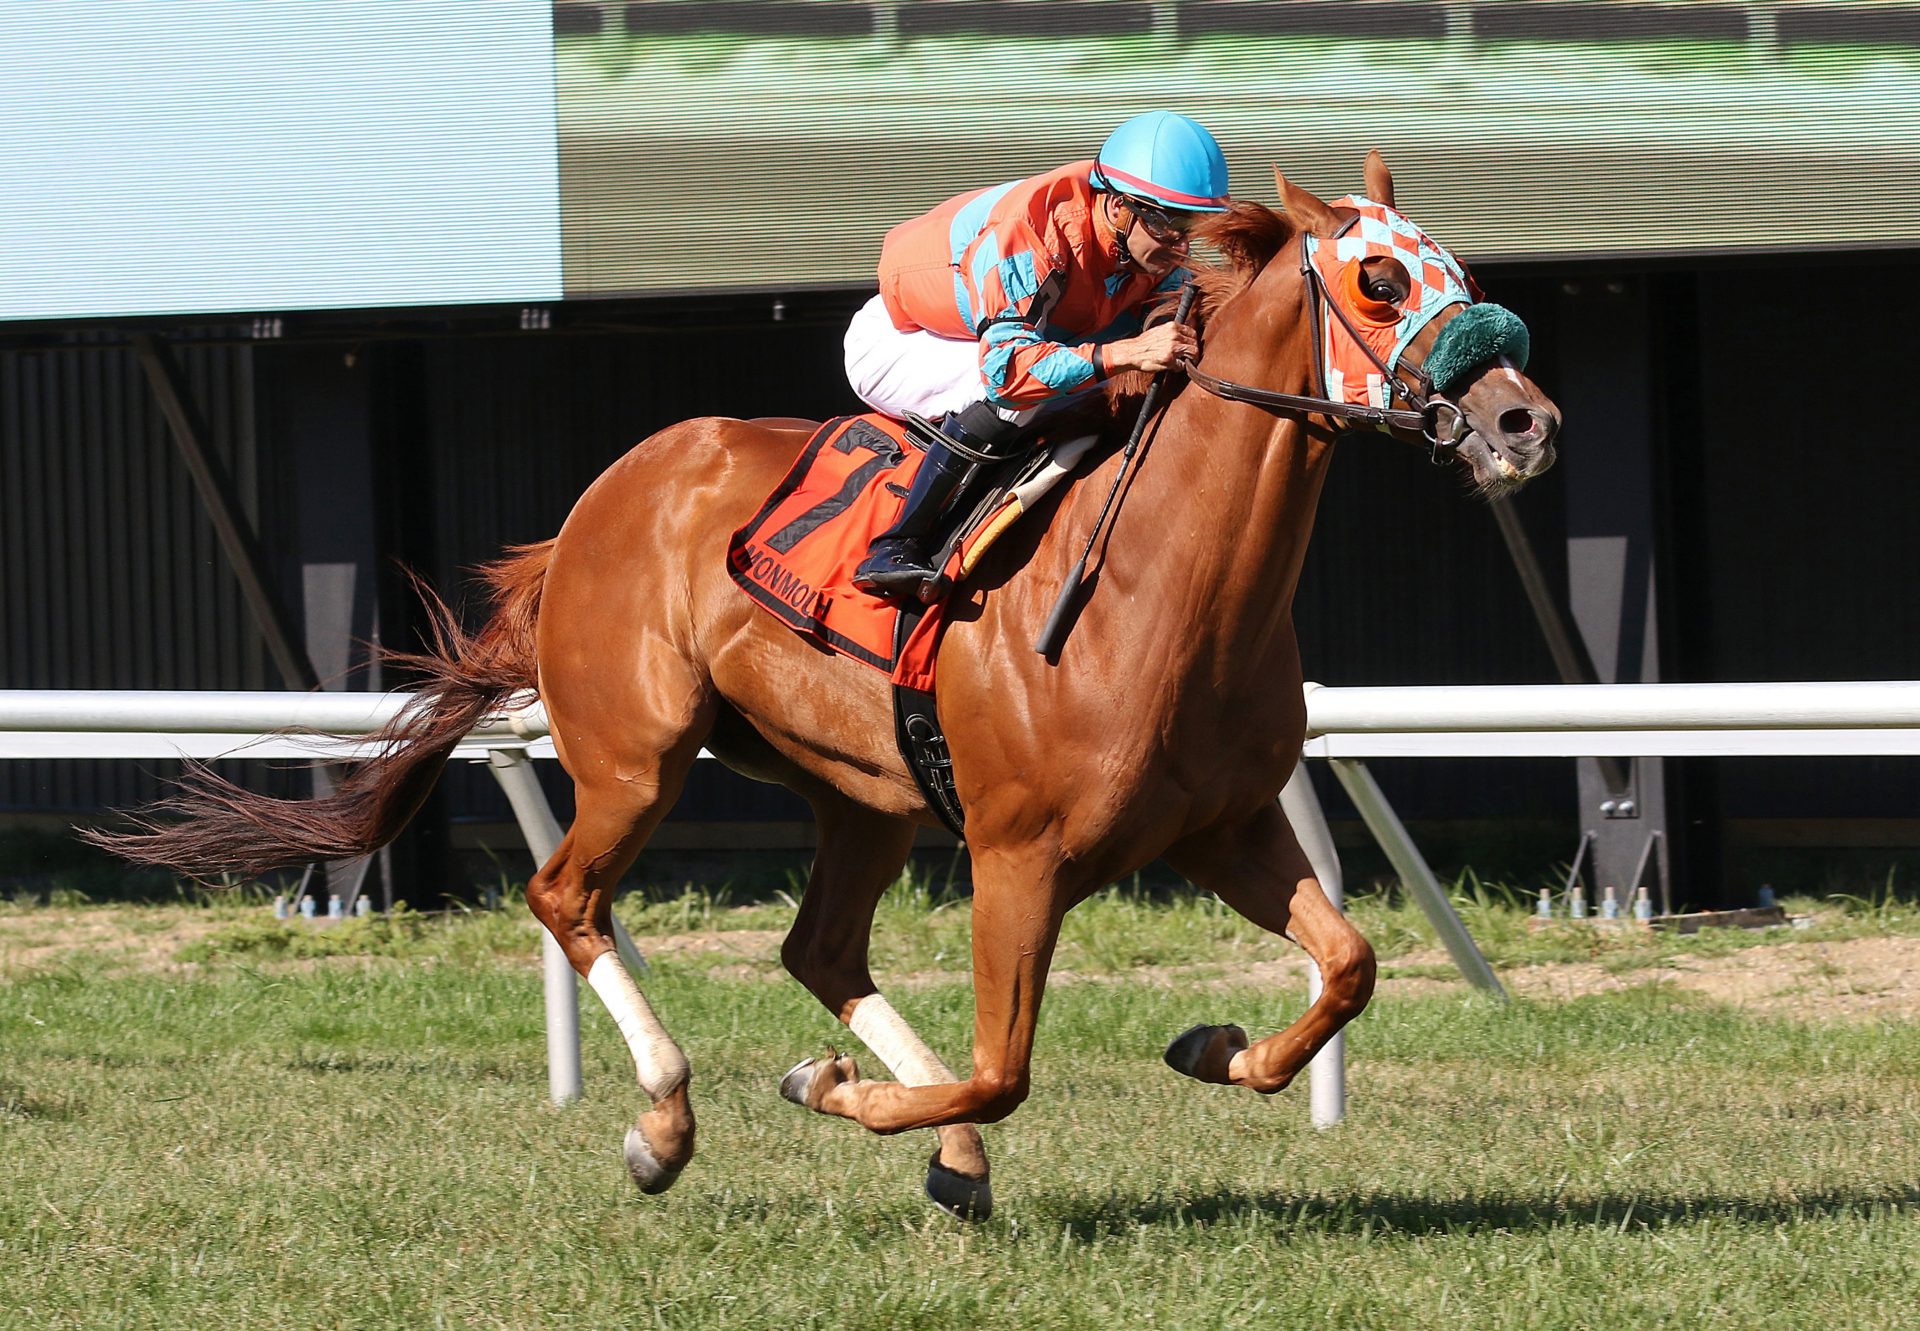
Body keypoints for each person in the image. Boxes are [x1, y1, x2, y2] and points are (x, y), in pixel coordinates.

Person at [843, 110, 1230, 597]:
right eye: (1164, 222)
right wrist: (1123, 354)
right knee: (1023, 397)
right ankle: (898, 544)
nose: (1179, 242)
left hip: (1020, 336)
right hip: (905, 340)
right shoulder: (1031, 233)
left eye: (1190, 224)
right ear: (1116, 206)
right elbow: (1006, 372)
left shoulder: (1148, 248)